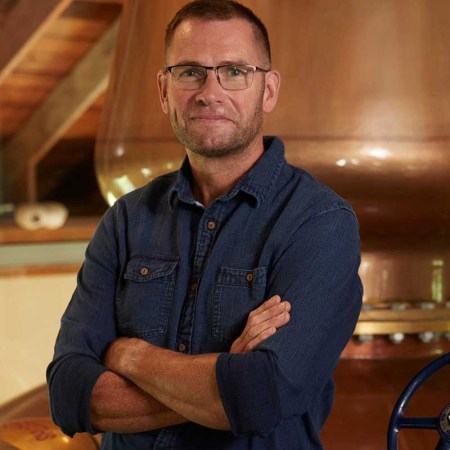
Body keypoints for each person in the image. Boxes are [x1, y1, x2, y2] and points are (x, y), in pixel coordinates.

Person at [47, 0, 363, 448]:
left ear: (268, 90)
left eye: (234, 71)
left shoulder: (320, 223)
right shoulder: (125, 219)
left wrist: (130, 355)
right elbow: (69, 394)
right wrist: (223, 380)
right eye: (190, 72)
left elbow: (263, 396)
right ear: (164, 90)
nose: (209, 92)